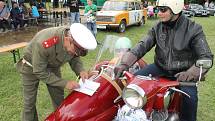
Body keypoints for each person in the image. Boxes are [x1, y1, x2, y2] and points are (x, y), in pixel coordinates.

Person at [114, 0, 214, 121]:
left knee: (190, 99)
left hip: (184, 73)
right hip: (160, 67)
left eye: (163, 10)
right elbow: (141, 46)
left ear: (175, 9)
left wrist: (190, 73)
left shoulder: (193, 29)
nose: (159, 13)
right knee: (133, 83)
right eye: (157, 9)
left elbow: (206, 57)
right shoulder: (157, 27)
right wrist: (124, 63)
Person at [16, 23, 97, 121]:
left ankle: (61, 118)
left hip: (53, 67)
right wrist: (65, 83)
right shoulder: (44, 42)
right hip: (31, 67)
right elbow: (40, 71)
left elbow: (75, 57)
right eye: (74, 51)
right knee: (29, 102)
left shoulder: (73, 40)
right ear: (67, 40)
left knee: (58, 98)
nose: (74, 54)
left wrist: (81, 71)